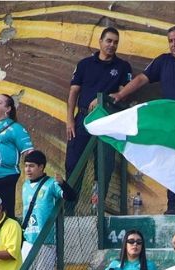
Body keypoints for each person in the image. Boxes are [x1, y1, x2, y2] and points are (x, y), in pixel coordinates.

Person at [111, 25, 175, 213]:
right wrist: (121, 95)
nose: (174, 44)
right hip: (172, 125)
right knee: (174, 165)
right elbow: (142, 79)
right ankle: (172, 209)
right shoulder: (163, 61)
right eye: (170, 41)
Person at [65, 23, 134, 191]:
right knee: (73, 164)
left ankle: (98, 207)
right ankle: (70, 210)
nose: (112, 45)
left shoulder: (123, 67)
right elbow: (73, 92)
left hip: (108, 121)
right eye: (108, 41)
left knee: (104, 166)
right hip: (83, 119)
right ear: (100, 41)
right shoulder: (85, 64)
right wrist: (69, 121)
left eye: (115, 42)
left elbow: (124, 95)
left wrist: (103, 99)